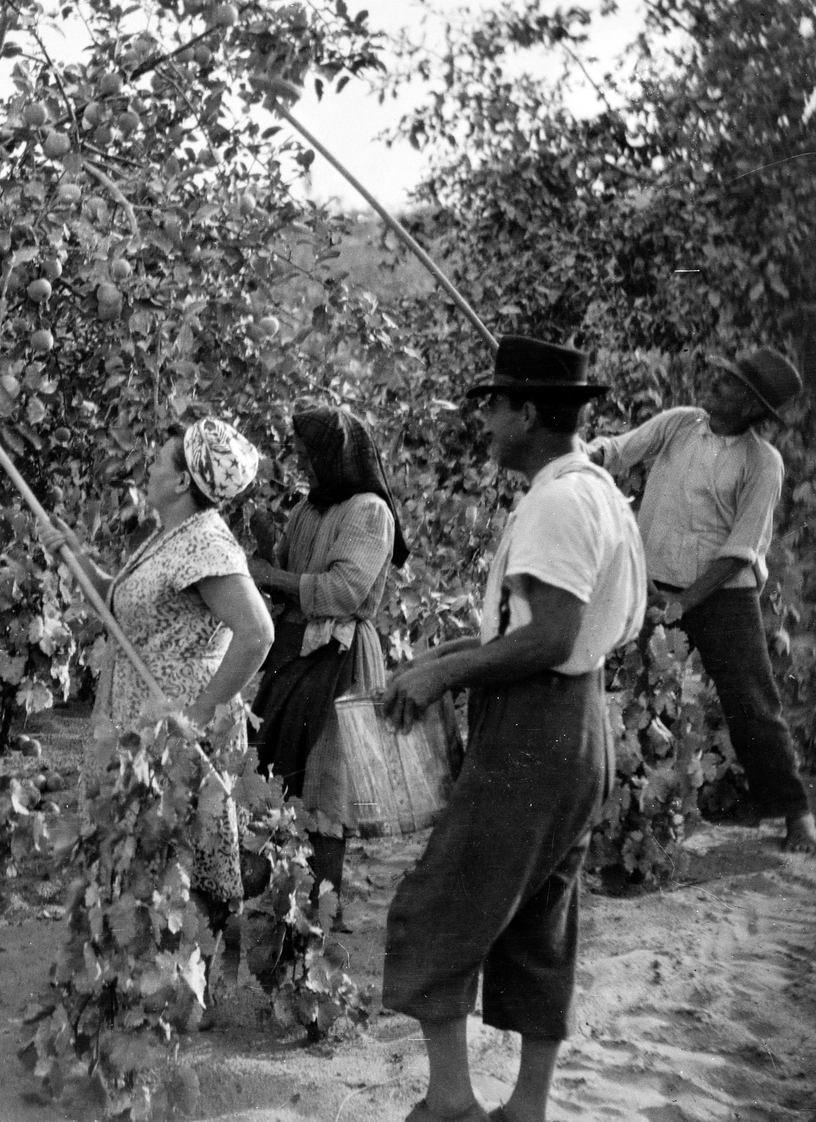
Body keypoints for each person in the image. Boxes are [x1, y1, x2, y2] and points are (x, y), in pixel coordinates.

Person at [379, 337, 646, 1122]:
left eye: (495, 406)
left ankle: (453, 1101)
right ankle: (526, 1107)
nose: (487, 422)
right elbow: (539, 631)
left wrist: (445, 676)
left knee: (440, 902)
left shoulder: (557, 503)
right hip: (577, 722)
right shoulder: (593, 490)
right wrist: (447, 655)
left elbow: (548, 638)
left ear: (531, 413)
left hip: (536, 728)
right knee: (539, 922)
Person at [39, 418, 274, 940]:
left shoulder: (208, 546)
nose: (148, 464)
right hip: (136, 721)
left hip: (175, 731)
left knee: (177, 860)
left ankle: (186, 996)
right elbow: (119, 608)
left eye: (160, 459)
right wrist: (72, 553)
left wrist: (200, 713)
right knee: (138, 854)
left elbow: (257, 633)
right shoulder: (170, 536)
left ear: (183, 481)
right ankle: (145, 981)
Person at [584, 348, 816, 853]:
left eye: (731, 386)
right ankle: (628, 805)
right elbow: (621, 448)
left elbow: (740, 551)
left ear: (754, 408)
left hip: (723, 596)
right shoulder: (681, 424)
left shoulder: (763, 464)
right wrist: (590, 453)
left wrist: (685, 603)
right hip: (652, 585)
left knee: (752, 702)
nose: (714, 386)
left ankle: (795, 811)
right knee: (634, 693)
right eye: (722, 377)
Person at [247, 405, 409, 931]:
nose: (301, 464)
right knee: (282, 775)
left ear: (333, 456)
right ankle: (293, 899)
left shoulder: (368, 512)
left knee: (327, 784)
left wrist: (273, 575)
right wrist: (269, 543)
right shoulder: (309, 511)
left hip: (338, 656)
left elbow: (344, 591)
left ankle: (322, 910)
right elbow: (290, 575)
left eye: (307, 454)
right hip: (297, 649)